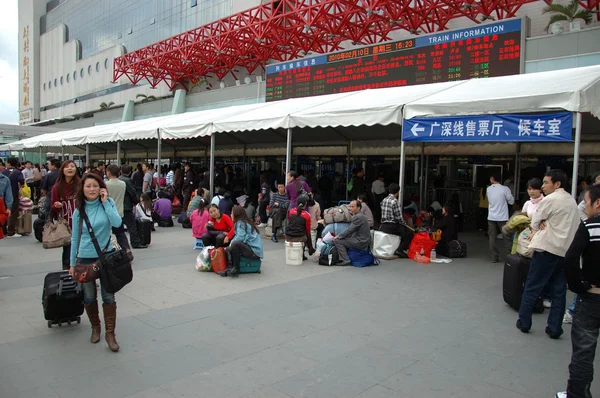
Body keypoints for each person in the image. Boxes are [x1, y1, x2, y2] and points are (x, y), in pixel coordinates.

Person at [517, 170, 580, 339]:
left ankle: (524, 322)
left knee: (532, 286)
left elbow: (535, 222)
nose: (543, 186)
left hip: (546, 250)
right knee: (559, 292)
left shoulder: (550, 200)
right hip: (565, 252)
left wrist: (544, 222)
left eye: (546, 183)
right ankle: (554, 328)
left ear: (557, 184)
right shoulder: (572, 202)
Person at [68, 173, 123, 352]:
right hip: (85, 258)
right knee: (89, 296)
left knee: (108, 295)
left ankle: (110, 333)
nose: (91, 189)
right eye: (88, 186)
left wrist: (106, 202)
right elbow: (75, 239)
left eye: (95, 185)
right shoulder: (79, 211)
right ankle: (95, 326)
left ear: (101, 187)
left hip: (106, 256)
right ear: (82, 189)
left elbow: (117, 223)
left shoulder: (108, 204)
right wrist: (71, 264)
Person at [555, 185, 600, 398]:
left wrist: (578, 286)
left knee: (583, 352)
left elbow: (571, 258)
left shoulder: (590, 226)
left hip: (592, 297)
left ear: (597, 203)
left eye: (587, 202)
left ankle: (578, 395)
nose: (585, 207)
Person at [51, 161, 81, 270]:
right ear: (62, 170)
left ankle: (85, 276)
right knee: (68, 249)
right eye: (67, 167)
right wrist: (56, 205)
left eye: (72, 166)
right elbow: (53, 205)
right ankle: (68, 273)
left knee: (82, 249)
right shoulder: (57, 187)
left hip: (81, 221)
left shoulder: (81, 184)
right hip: (66, 223)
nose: (70, 168)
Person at [220, 205, 264, 277]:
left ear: (236, 214)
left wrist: (230, 244)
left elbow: (240, 237)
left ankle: (236, 269)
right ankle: (230, 268)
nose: (230, 215)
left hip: (254, 252)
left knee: (235, 244)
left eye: (232, 213)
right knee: (230, 247)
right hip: (252, 250)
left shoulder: (241, 223)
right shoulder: (242, 222)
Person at [379, 183, 414, 257]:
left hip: (383, 225)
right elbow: (399, 218)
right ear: (398, 192)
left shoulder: (384, 200)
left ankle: (399, 249)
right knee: (409, 234)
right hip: (392, 226)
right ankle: (399, 250)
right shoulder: (395, 201)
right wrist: (405, 224)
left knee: (404, 231)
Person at [487, 173, 514, 263]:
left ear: (492, 178)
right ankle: (509, 257)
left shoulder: (488, 189)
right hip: (503, 217)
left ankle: (494, 257)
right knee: (506, 237)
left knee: (492, 237)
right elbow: (511, 201)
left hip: (491, 217)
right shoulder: (505, 189)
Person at [334, 200, 371, 265]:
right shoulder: (359, 215)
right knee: (343, 238)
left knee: (337, 241)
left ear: (358, 208)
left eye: (352, 207)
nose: (350, 208)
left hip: (361, 241)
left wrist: (339, 236)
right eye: (350, 206)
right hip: (362, 239)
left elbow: (350, 230)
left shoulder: (358, 217)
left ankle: (345, 259)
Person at [119, 165, 146, 249]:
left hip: (117, 206)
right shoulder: (128, 181)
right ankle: (135, 243)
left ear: (121, 171)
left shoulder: (118, 179)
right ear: (130, 172)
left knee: (118, 228)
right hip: (126, 206)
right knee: (132, 226)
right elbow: (132, 193)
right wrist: (136, 201)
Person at [105, 164, 130, 251]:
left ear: (108, 173)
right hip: (119, 211)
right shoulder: (123, 184)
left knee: (106, 234)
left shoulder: (105, 184)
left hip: (108, 213)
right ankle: (126, 250)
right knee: (120, 234)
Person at [285, 195, 314, 260]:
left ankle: (309, 249)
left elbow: (290, 223)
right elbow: (308, 230)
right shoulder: (307, 215)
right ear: (305, 204)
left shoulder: (291, 211)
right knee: (307, 235)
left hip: (288, 236)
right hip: (299, 238)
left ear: (296, 203)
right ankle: (305, 252)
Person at [2, 158, 24, 237]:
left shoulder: (3, 172)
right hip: (14, 195)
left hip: (3, 195)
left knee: (3, 212)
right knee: (13, 213)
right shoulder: (18, 172)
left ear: (9, 163)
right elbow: (22, 182)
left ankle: (3, 230)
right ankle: (11, 232)